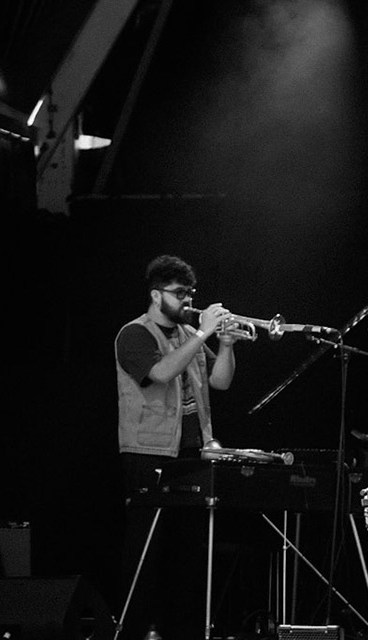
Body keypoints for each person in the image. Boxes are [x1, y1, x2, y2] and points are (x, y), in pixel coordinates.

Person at [114, 255, 243, 640]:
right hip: (148, 454)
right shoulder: (134, 334)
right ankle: (133, 630)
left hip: (192, 454)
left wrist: (227, 343)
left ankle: (182, 630)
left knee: (187, 556)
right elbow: (160, 373)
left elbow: (219, 383)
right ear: (156, 295)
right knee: (146, 556)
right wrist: (204, 333)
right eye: (179, 293)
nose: (188, 300)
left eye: (190, 293)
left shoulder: (189, 336)